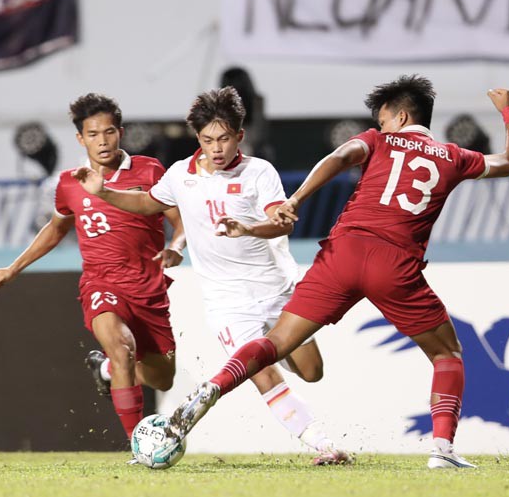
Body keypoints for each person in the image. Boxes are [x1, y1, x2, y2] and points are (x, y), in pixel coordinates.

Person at [165, 77, 509, 469]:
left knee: (278, 342)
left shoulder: (377, 141)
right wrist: (508, 111)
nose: (382, 125)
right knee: (447, 353)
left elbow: (338, 157)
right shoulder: (454, 156)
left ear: (401, 116)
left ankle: (215, 386)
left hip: (343, 253)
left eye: (384, 119)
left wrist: (297, 198)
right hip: (395, 265)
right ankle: (442, 450)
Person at [72, 86, 351, 465]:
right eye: (207, 140)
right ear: (197, 139)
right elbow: (146, 202)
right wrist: (104, 192)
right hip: (228, 302)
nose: (216, 148)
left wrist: (250, 228)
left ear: (240, 135)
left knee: (312, 371)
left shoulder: (258, 172)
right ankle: (324, 445)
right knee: (262, 375)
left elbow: (277, 221)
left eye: (223, 139)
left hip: (277, 290)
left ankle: (275, 352)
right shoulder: (179, 176)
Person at [0, 93, 186, 443]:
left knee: (161, 377)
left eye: (108, 132)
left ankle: (107, 369)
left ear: (120, 133)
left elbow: (179, 223)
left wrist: (175, 247)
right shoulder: (69, 183)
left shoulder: (150, 170)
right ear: (81, 138)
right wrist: (14, 268)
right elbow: (55, 229)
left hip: (148, 288)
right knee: (122, 347)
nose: (102, 141)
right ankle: (138, 443)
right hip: (101, 284)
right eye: (93, 134)